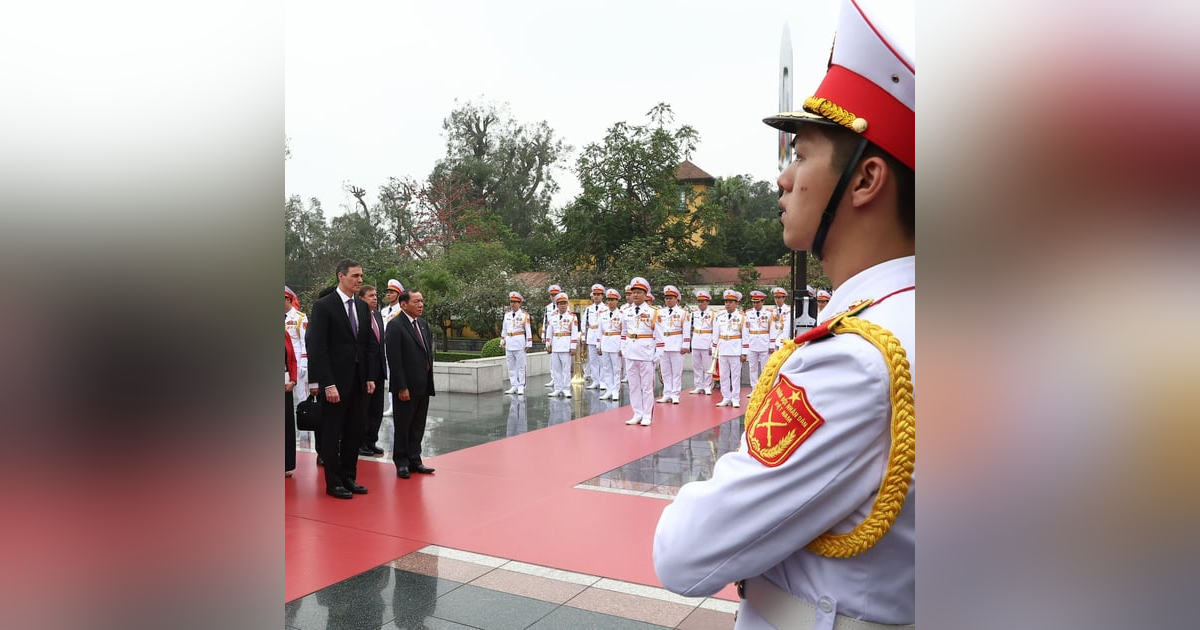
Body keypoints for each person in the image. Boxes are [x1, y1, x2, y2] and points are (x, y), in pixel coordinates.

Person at [653, 1, 915, 627]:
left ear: (865, 180)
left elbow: (684, 555)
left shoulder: (856, 361)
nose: (782, 178)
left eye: (799, 155)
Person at [304, 258, 380, 499]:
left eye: (361, 276)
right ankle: (333, 482)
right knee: (331, 432)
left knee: (355, 432)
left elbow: (367, 344)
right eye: (355, 276)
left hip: (358, 382)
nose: (360, 280)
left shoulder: (361, 307)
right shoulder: (324, 306)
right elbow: (318, 348)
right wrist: (327, 383)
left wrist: (369, 376)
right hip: (335, 383)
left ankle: (349, 477)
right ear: (341, 276)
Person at [385, 289, 436, 479]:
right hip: (406, 386)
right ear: (404, 304)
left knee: (418, 424)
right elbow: (394, 359)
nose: (421, 305)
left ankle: (415, 459)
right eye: (416, 301)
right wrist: (401, 386)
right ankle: (402, 462)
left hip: (423, 384)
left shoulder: (422, 324)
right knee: (403, 425)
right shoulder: (395, 325)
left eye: (422, 301)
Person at [621, 277, 663, 426]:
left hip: (646, 352)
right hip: (631, 351)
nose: (636, 295)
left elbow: (659, 334)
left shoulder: (653, 312)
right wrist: (623, 348)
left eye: (639, 292)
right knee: (633, 386)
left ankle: (647, 414)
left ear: (646, 295)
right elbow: (624, 331)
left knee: (646, 386)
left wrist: (658, 353)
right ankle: (637, 413)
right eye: (634, 292)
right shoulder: (626, 312)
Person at [358, 285, 387, 456]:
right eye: (370, 296)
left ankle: (371, 440)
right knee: (364, 409)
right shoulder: (358, 317)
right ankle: (360, 442)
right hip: (364, 371)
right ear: (361, 298)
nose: (375, 298)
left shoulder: (378, 315)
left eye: (376, 295)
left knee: (377, 409)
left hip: (379, 370)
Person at [655, 285, 690, 405]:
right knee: (665, 371)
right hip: (663, 344)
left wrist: (686, 344)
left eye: (671, 298)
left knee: (676, 371)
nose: (668, 300)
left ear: (677, 299)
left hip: (676, 344)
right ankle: (666, 393)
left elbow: (686, 330)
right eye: (667, 298)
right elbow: (657, 330)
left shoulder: (682, 313)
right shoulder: (659, 312)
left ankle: (675, 394)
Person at [712, 289, 746, 408]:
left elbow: (745, 336)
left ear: (736, 303)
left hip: (735, 348)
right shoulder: (719, 315)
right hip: (722, 349)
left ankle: (735, 398)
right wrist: (713, 350)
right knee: (724, 375)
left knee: (736, 376)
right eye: (726, 301)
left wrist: (744, 352)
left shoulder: (741, 317)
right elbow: (715, 334)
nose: (728, 304)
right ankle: (726, 397)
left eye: (731, 301)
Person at [378, 279, 404, 418]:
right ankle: (391, 406)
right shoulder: (382, 311)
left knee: (397, 376)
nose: (388, 295)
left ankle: (397, 405)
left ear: (399, 294)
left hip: (396, 348)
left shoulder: (401, 310)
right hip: (385, 348)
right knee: (389, 377)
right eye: (387, 292)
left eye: (392, 292)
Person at [545, 292, 578, 398]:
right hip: (555, 345)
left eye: (564, 303)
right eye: (560, 303)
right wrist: (548, 344)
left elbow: (574, 333)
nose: (563, 305)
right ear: (557, 305)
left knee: (566, 369)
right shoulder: (552, 317)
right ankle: (558, 388)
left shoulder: (572, 317)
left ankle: (566, 388)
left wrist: (573, 346)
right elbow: (549, 331)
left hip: (565, 345)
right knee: (556, 369)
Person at [501, 291, 532, 395]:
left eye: (515, 302)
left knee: (521, 366)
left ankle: (521, 386)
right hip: (509, 342)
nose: (513, 304)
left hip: (519, 342)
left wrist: (529, 343)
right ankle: (514, 385)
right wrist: (502, 340)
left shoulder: (524, 315)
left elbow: (528, 330)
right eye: (511, 301)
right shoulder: (507, 315)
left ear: (520, 303)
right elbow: (504, 329)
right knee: (511, 366)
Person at [596, 288, 624, 401]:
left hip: (616, 342)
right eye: (609, 300)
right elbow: (599, 331)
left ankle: (616, 390)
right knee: (606, 368)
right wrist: (599, 345)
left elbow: (624, 332)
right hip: (605, 342)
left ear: (617, 301)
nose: (611, 302)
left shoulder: (622, 314)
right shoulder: (602, 314)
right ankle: (608, 389)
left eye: (613, 300)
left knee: (616, 368)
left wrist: (622, 347)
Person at [284, 286, 309, 411]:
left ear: (288, 299)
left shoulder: (300, 317)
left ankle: (305, 430)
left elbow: (305, 341)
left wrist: (304, 364)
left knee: (301, 397)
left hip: (297, 360)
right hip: (285, 362)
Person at [688, 290, 716, 395]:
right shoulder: (693, 314)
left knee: (707, 366)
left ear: (707, 302)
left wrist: (712, 345)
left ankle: (707, 386)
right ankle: (698, 385)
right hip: (696, 341)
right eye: (699, 301)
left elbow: (715, 330)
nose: (700, 303)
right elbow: (690, 329)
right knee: (696, 365)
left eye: (702, 301)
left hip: (707, 341)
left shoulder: (712, 314)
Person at [743, 290, 772, 385]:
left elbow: (772, 329)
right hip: (752, 342)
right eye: (754, 302)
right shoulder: (748, 313)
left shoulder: (768, 314)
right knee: (753, 367)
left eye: (757, 302)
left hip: (764, 342)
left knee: (765, 367)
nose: (755, 304)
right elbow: (746, 331)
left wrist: (771, 344)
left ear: (763, 301)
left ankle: (764, 387)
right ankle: (754, 388)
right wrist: (745, 346)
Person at [582, 283, 605, 389]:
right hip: (591, 335)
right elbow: (584, 324)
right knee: (593, 360)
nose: (596, 296)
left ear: (602, 296)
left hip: (602, 336)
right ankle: (595, 380)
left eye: (598, 294)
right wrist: (583, 337)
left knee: (602, 360)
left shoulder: (605, 308)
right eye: (594, 294)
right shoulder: (588, 309)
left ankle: (603, 381)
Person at [542, 284, 562, 387]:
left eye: (556, 294)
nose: (553, 297)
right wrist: (543, 335)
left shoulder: (564, 306)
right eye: (552, 295)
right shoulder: (548, 308)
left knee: (561, 359)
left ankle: (561, 379)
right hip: (551, 335)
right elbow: (545, 321)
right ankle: (553, 378)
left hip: (561, 336)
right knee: (552, 359)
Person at [285, 330, 298, 478]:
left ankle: (285, 464)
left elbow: (293, 360)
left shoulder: (285, 334)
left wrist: (293, 380)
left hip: (285, 386)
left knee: (286, 425)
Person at [768, 287, 792, 352]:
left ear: (784, 298)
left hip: (785, 337)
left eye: (779, 297)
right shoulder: (772, 311)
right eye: (775, 298)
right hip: (774, 339)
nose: (777, 300)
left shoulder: (790, 310)